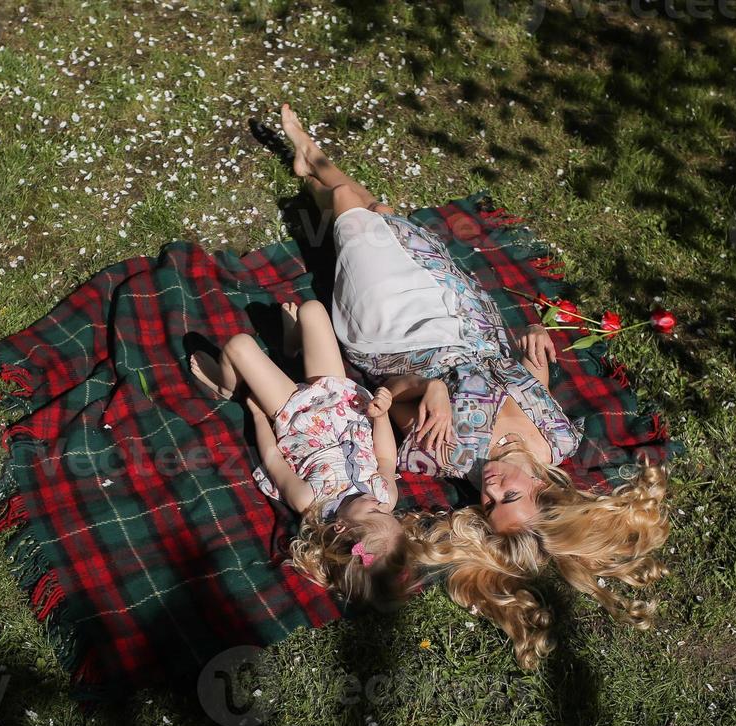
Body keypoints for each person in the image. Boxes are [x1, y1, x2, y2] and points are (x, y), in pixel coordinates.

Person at [276, 103, 670, 666]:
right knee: (379, 212)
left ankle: (313, 160)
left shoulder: (452, 452)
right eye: (508, 494)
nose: (489, 487)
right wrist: (538, 356)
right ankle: (313, 172)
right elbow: (520, 379)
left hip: (395, 332)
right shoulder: (558, 441)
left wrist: (430, 384)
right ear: (545, 490)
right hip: (465, 314)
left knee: (352, 209)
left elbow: (387, 394)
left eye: (488, 503)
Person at [190, 299, 418, 611]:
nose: (383, 505)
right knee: (313, 310)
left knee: (239, 346)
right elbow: (386, 459)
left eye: (374, 512)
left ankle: (226, 386)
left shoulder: (309, 499)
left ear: (341, 527)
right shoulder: (385, 497)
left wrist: (256, 413)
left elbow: (272, 459)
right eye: (389, 514)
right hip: (341, 400)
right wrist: (380, 416)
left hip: (296, 412)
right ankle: (292, 343)